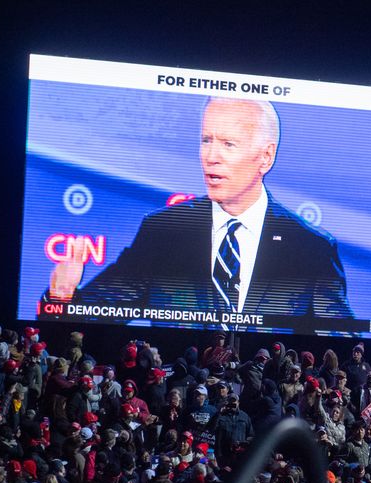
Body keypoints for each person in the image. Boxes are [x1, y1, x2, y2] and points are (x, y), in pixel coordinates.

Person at [40, 97, 353, 323]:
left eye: (228, 144)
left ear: (266, 157)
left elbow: (340, 347)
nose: (211, 156)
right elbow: (94, 319)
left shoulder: (311, 247)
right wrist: (61, 299)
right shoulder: (164, 231)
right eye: (206, 140)